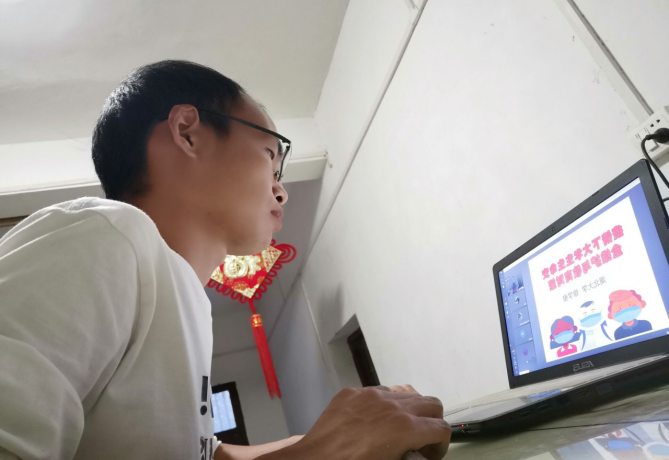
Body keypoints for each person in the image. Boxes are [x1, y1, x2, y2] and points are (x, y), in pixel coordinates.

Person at [0, 60, 450, 460]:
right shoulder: (105, 234)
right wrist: (321, 452)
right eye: (270, 154)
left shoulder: (186, 301)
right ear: (187, 132)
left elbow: (206, 452)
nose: (281, 190)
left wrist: (349, 431)